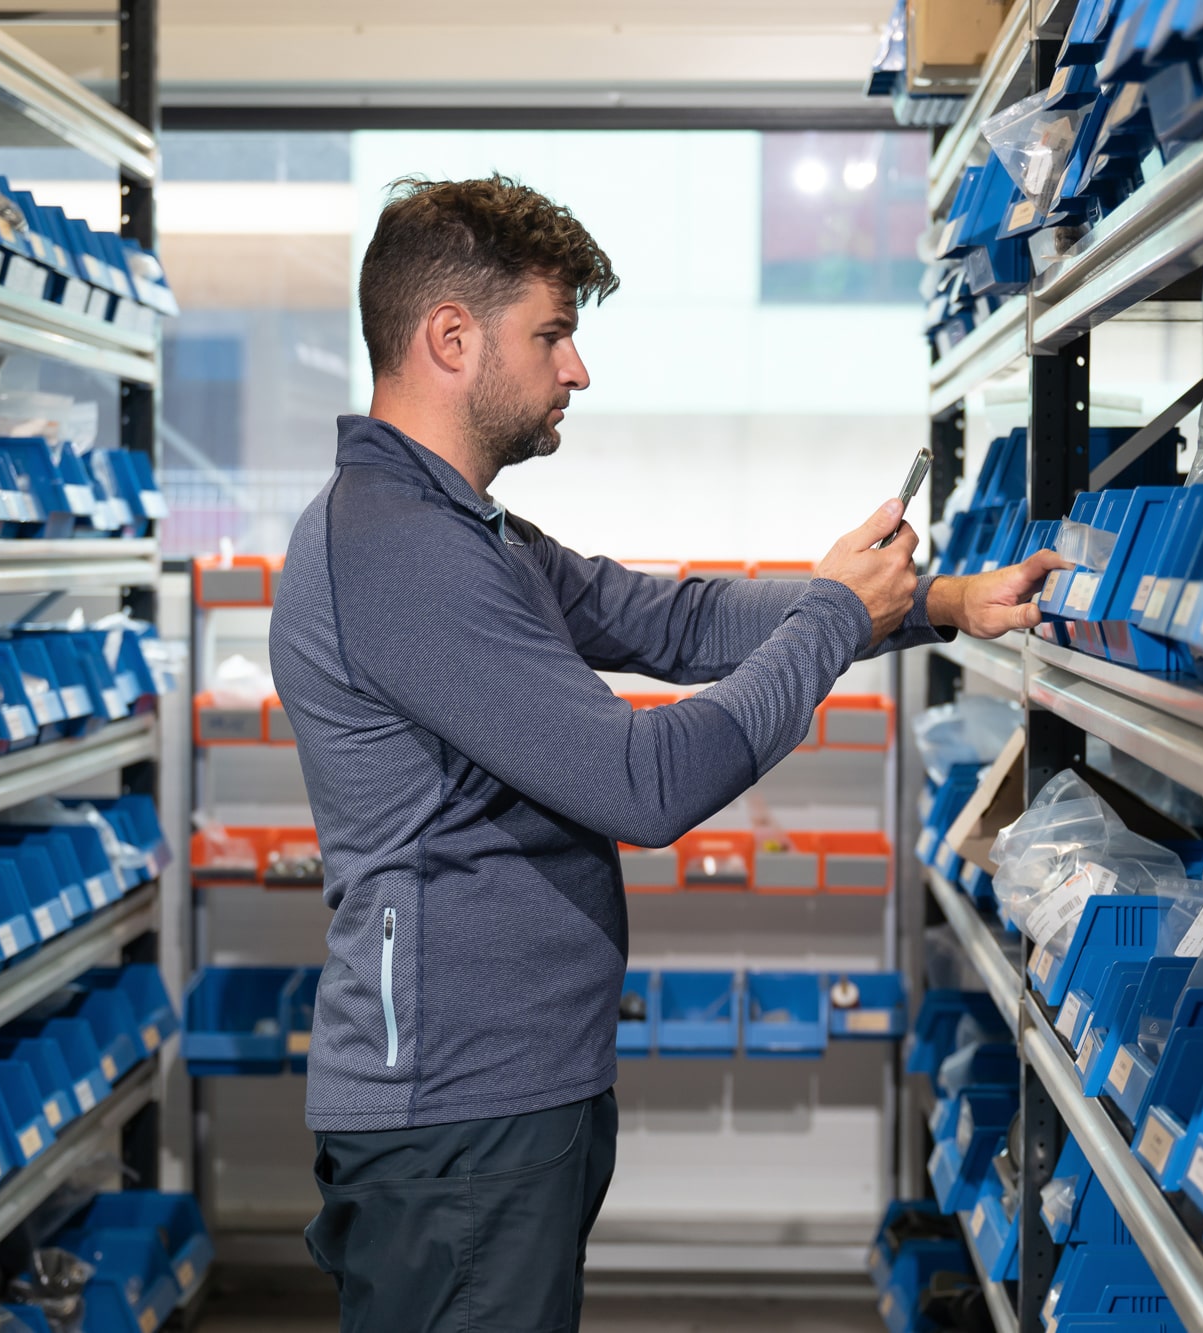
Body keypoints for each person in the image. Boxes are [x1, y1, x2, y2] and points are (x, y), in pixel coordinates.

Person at [268, 174, 1065, 1332]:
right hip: (456, 1119)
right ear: (449, 337)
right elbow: (642, 784)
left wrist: (933, 599)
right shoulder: (402, 551)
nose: (575, 370)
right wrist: (836, 618)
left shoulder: (461, 528)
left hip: (509, 1096)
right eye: (551, 335)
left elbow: (675, 623)